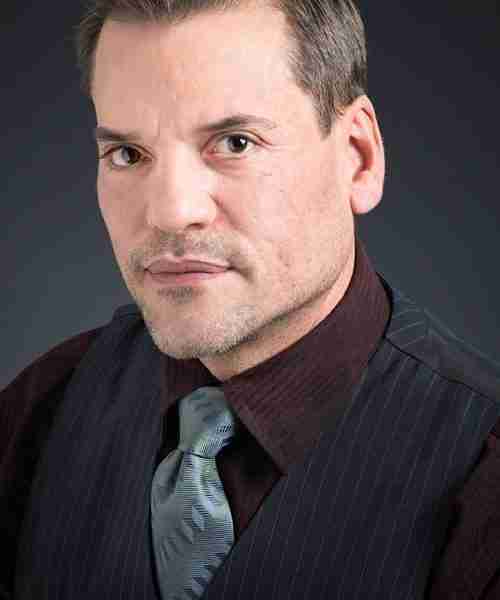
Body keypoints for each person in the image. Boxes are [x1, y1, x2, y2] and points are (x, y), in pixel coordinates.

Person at [1, 0, 499, 598]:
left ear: (358, 157)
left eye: (235, 142)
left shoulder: (484, 472)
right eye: (127, 154)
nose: (171, 212)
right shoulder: (41, 411)